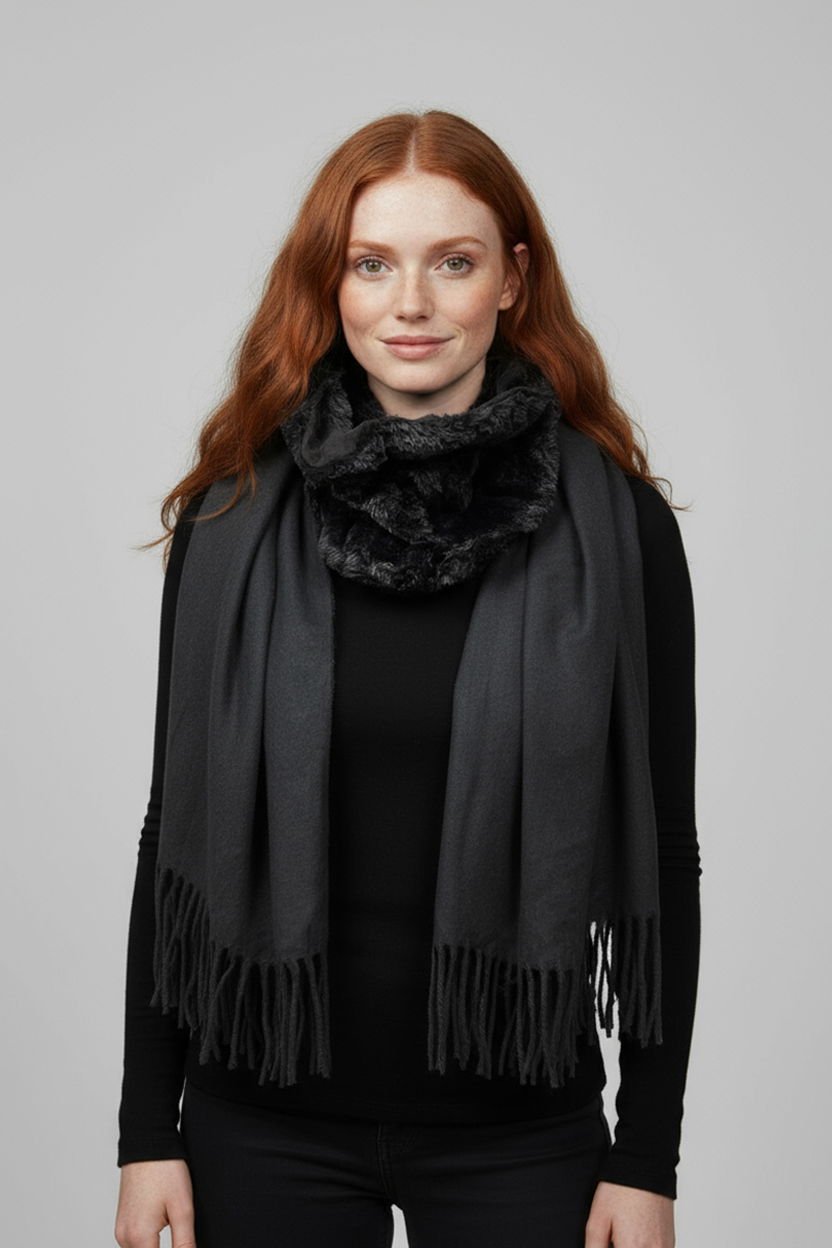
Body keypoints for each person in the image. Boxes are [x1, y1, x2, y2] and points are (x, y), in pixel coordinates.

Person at [114, 108, 701, 1248]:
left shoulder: (620, 530)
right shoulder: (232, 520)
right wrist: (148, 1130)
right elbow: (168, 831)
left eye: (454, 262)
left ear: (512, 280)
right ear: (330, 284)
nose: (412, 303)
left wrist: (648, 1155)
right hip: (259, 1123)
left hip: (521, 1131)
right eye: (372, 263)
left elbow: (664, 851)